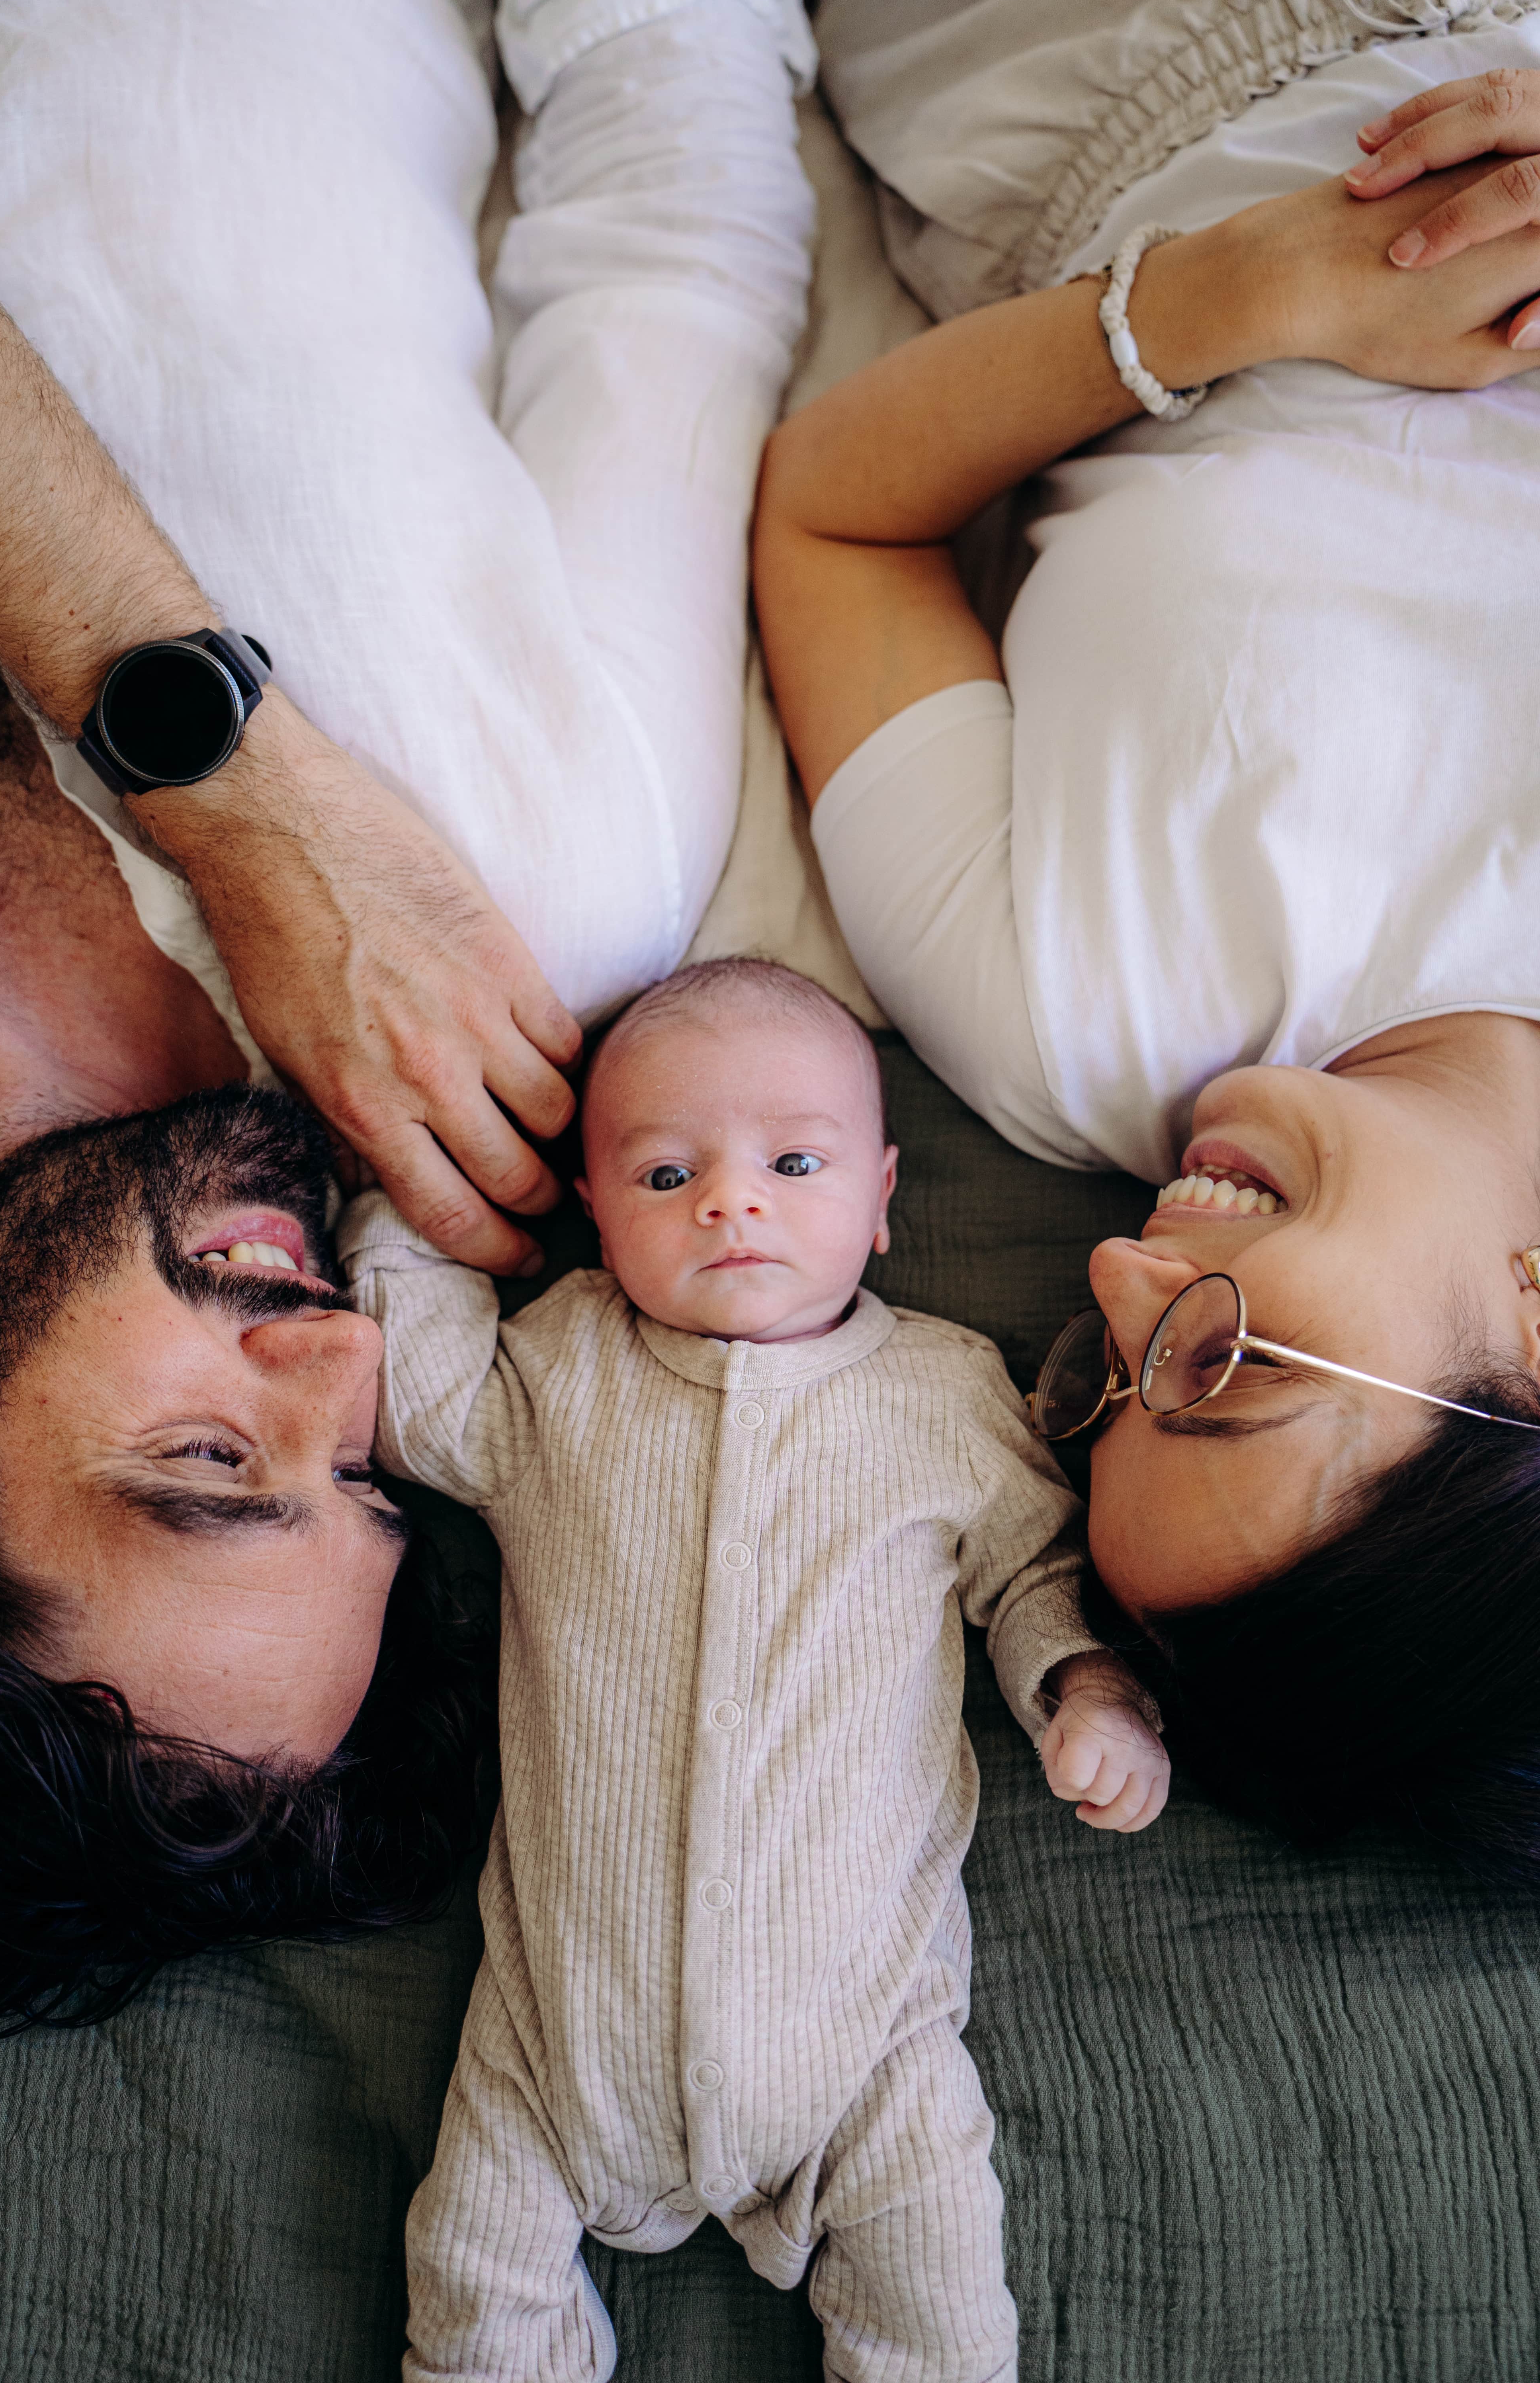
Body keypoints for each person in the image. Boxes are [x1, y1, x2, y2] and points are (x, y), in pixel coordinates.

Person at [0, 0, 820, 2030]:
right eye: (357, 1481)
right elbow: (670, 203)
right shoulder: (535, 926)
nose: (342, 1363)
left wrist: (242, 800)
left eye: (203, 1464)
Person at [752, 25, 1540, 1879]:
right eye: (1224, 1363)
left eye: (1095, 1385)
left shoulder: (1066, 1030)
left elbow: (832, 514)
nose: (1114, 1278)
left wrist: (1222, 297)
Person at [340, 958, 1169, 2383]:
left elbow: (1036, 1574)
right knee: (472, 2285)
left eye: (794, 1161)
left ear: (885, 1194)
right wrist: (401, 1197)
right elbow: (423, 1406)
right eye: (666, 1175)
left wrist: (1087, 1691)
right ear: (593, 1212)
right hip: (559, 2043)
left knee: (940, 2301)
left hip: (861, 2047)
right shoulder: (561, 1371)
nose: (732, 1200)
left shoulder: (945, 1392)